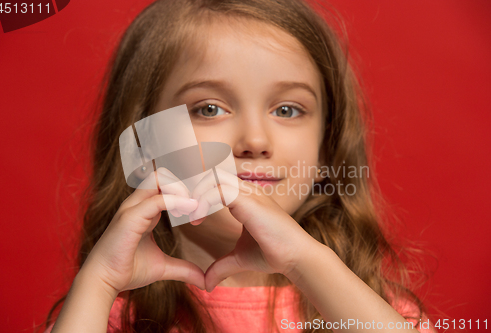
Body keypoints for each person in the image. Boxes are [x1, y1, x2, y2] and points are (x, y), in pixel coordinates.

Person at [42, 0, 439, 332]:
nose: (254, 141)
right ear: (144, 146)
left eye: (287, 109)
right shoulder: (105, 314)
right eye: (210, 108)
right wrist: (98, 282)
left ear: (325, 152)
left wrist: (307, 261)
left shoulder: (368, 308)